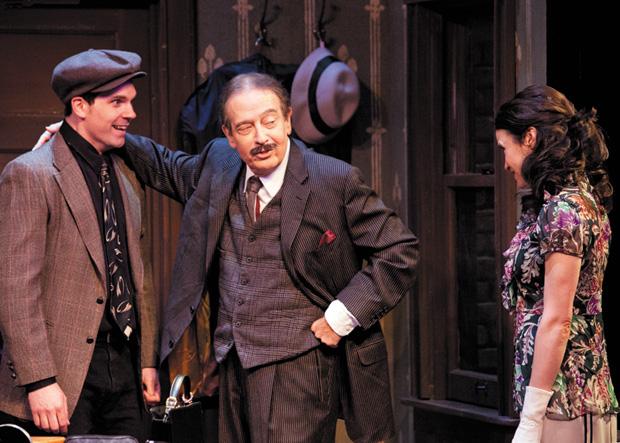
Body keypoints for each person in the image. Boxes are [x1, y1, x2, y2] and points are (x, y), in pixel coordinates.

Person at [120, 72, 419, 442]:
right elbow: (165, 165)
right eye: (245, 127)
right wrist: (98, 133)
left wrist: (342, 314)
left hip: (301, 367)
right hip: (233, 363)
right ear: (228, 136)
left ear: (289, 119)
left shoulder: (332, 180)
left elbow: (399, 250)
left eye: (270, 121)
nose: (261, 137)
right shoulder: (220, 164)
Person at [0, 49, 160, 441]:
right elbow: (15, 287)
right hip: (63, 373)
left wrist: (146, 361)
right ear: (80, 106)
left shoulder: (123, 175)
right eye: (117, 102)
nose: (131, 114)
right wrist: (39, 380)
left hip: (124, 370)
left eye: (131, 102)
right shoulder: (30, 174)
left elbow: (137, 271)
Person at [496, 85, 618, 443]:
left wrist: (532, 418)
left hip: (568, 398)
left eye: (505, 148)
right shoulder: (559, 204)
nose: (504, 162)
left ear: (529, 138)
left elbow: (558, 318)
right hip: (555, 396)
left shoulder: (565, 209)